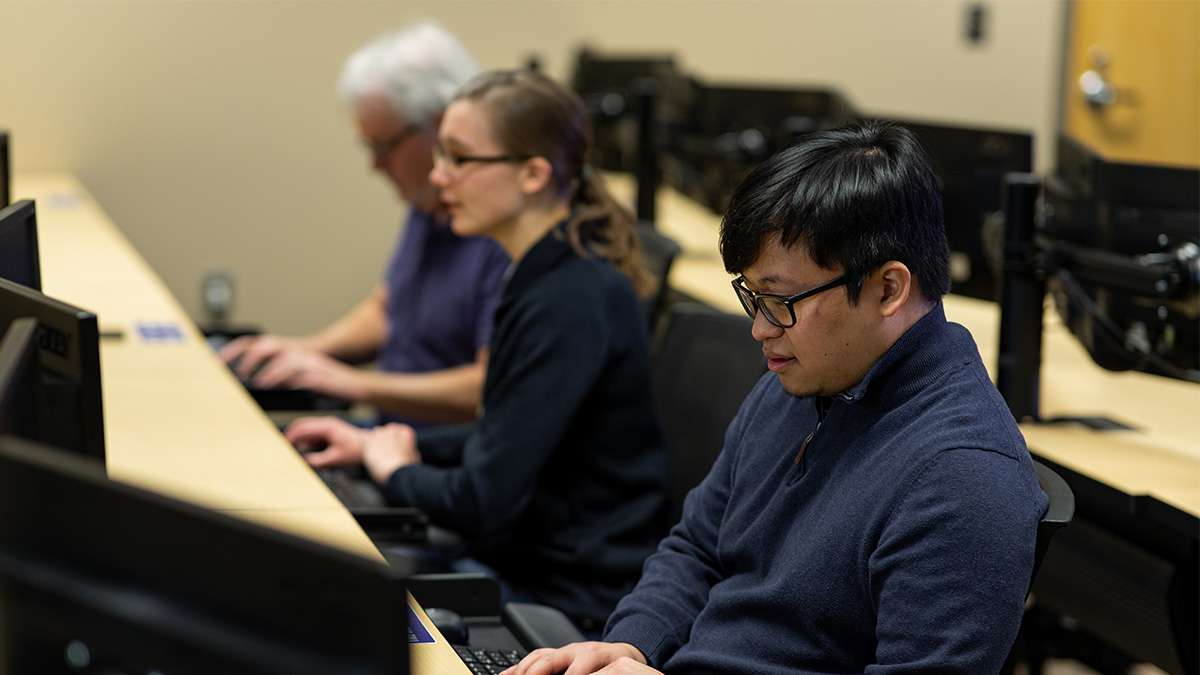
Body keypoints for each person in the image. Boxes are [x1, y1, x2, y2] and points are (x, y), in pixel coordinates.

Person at [503, 122, 1048, 674]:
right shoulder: (803, 378)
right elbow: (696, 549)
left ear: (888, 289)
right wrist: (632, 644)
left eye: (781, 300)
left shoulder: (964, 480)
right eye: (752, 297)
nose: (761, 329)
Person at [286, 69, 667, 632]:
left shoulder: (569, 298)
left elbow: (482, 499)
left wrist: (393, 470)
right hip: (523, 561)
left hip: (560, 597)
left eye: (459, 159)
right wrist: (382, 443)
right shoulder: (543, 272)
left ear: (534, 174)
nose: (439, 177)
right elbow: (507, 434)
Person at [219, 22, 509, 426]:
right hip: (388, 435)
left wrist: (355, 384)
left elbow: (491, 388)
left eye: (385, 147)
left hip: (439, 459)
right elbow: (390, 308)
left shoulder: (499, 225)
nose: (375, 165)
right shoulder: (429, 204)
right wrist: (308, 351)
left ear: (443, 126)